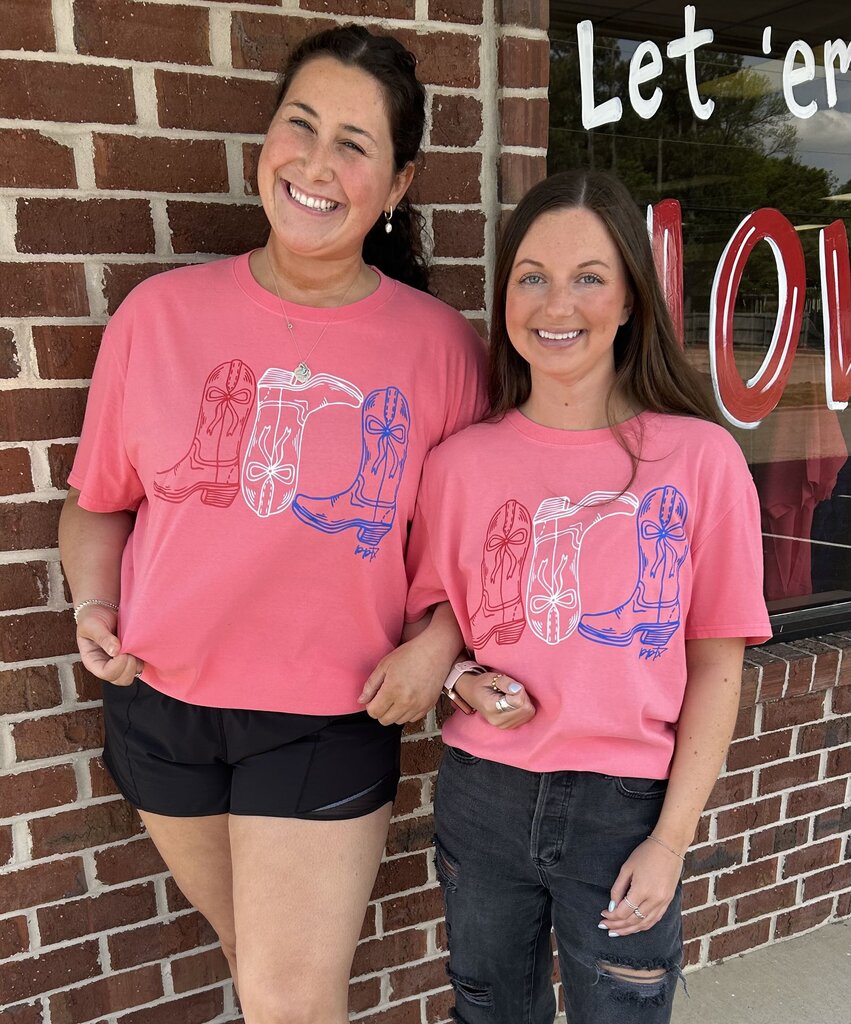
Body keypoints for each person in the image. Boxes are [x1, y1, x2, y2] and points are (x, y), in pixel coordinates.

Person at [58, 25, 485, 1024]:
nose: (316, 163)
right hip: (161, 709)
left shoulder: (435, 349)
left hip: (324, 715)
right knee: (257, 970)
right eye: (300, 126)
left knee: (291, 996)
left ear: (397, 180)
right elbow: (98, 504)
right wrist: (93, 603)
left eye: (353, 143)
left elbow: (475, 543)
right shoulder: (157, 317)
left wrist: (438, 643)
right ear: (266, 141)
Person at [402, 170, 772, 1024]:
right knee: (490, 1013)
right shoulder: (458, 465)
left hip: (625, 808)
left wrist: (670, 840)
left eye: (588, 277)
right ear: (504, 297)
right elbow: (435, 629)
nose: (554, 302)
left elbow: (716, 667)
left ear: (632, 300)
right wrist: (460, 681)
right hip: (484, 796)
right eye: (530, 276)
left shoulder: (699, 460)